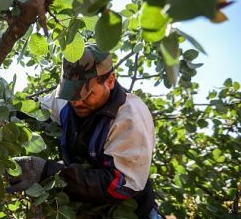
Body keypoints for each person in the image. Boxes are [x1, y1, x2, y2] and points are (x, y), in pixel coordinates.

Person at [8, 44, 161, 218]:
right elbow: (36, 109)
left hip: (132, 213)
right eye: (71, 94)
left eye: (86, 95)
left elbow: (118, 186)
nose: (77, 102)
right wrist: (7, 111)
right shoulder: (67, 100)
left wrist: (47, 171)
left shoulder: (130, 117)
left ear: (110, 81)